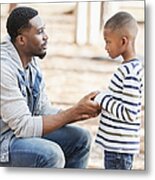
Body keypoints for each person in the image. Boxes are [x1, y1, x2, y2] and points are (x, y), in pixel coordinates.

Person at [0, 6, 100, 168]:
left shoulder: (30, 59)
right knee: (50, 154)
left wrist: (80, 111)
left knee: (81, 139)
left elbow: (42, 110)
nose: (46, 37)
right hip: (4, 142)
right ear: (21, 40)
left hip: (17, 135)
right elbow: (24, 127)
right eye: (40, 32)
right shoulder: (4, 68)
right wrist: (72, 113)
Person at [94, 11, 144, 169]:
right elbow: (122, 100)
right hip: (116, 148)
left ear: (123, 42)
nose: (106, 47)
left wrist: (102, 99)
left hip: (119, 151)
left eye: (108, 42)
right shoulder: (129, 69)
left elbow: (129, 112)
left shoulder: (130, 73)